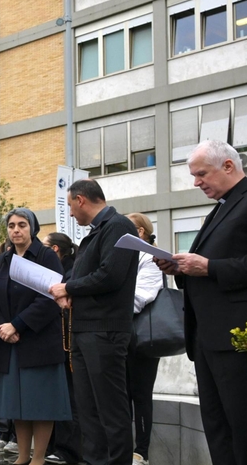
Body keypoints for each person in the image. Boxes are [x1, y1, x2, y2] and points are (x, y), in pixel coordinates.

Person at [153, 140, 247, 465]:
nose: (196, 182)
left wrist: (208, 267)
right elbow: (211, 271)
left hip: (242, 337)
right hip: (209, 337)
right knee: (217, 427)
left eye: (202, 174)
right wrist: (181, 270)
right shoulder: (221, 208)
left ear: (228, 166)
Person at [48, 179, 138, 465]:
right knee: (88, 410)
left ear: (81, 200)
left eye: (70, 205)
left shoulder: (117, 225)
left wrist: (69, 289)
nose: (71, 213)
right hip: (85, 329)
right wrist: (69, 292)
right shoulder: (96, 233)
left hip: (105, 331)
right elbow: (88, 278)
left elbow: (111, 275)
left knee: (110, 409)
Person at [0, 208, 71, 465]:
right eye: (11, 226)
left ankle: (39, 458)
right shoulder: (3, 260)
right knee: (17, 404)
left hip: (38, 340)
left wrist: (18, 325)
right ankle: (22, 457)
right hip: (9, 342)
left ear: (32, 228)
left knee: (40, 404)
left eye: (22, 225)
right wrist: (2, 326)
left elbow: (50, 297)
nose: (16, 230)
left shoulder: (46, 257)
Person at [124, 213, 165, 465]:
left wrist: (110, 308)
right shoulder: (125, 257)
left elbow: (141, 297)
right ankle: (125, 448)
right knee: (123, 393)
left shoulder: (150, 258)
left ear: (140, 232)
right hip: (123, 334)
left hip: (144, 337)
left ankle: (142, 452)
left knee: (140, 394)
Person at [40, 232, 81, 465]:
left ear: (55, 249)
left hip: (69, 344)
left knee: (71, 398)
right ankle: (54, 446)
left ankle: (69, 450)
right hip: (56, 342)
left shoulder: (69, 272)